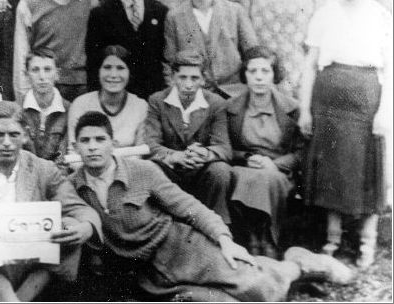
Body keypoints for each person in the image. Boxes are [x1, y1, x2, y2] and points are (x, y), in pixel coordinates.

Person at [70, 111, 353, 302]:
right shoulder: (72, 186)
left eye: (100, 139)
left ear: (113, 143)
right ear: (76, 147)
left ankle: (301, 264)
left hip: (184, 248)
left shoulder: (141, 171)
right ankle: (274, 268)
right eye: (85, 141)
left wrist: (225, 240)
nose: (93, 147)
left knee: (261, 292)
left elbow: (190, 207)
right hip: (149, 274)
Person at [0, 101, 101, 302]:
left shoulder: (44, 169)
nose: (6, 142)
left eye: (14, 135)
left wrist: (85, 228)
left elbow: (79, 209)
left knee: (72, 225)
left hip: (34, 267)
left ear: (25, 135)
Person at [300, 0, 392, 269]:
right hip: (327, 98)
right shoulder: (325, 14)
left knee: (366, 169)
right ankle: (333, 238)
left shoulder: (379, 15)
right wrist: (304, 110)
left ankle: (366, 243)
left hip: (366, 98)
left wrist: (384, 112)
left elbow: (391, 69)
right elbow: (310, 66)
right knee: (332, 168)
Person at [226, 46, 304, 258]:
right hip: (244, 167)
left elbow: (302, 152)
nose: (259, 78)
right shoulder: (230, 108)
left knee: (268, 179)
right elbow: (224, 147)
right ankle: (252, 237)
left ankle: (267, 237)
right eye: (253, 72)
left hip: (278, 170)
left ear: (274, 74)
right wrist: (246, 158)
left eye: (265, 71)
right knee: (241, 177)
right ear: (245, 75)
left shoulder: (292, 108)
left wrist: (276, 164)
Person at [145, 50, 233, 223]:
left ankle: (216, 225)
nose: (188, 84)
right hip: (170, 171)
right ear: (172, 77)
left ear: (203, 79)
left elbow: (224, 148)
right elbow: (150, 144)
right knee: (150, 167)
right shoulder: (157, 101)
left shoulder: (215, 103)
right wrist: (175, 156)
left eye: (194, 78)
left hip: (200, 172)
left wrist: (204, 154)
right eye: (183, 77)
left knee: (220, 171)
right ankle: (161, 224)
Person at [13, 0, 99, 101]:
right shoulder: (28, 4)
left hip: (82, 88)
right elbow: (21, 57)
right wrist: (24, 99)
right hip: (44, 87)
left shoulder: (89, 1)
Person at [164, 0, 257, 98]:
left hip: (234, 94)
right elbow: (169, 63)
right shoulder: (174, 17)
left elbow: (253, 55)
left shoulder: (235, 11)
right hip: (194, 95)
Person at [85, 0, 168, 100]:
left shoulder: (160, 12)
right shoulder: (100, 15)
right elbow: (93, 64)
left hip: (154, 97)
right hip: (116, 97)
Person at [67, 45, 149, 160]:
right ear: (98, 71)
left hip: (127, 174)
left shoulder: (140, 106)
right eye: (107, 67)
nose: (113, 75)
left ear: (129, 73)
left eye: (120, 68)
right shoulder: (81, 104)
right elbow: (73, 155)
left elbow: (140, 153)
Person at [19, 50, 69, 167]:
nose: (42, 77)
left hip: (57, 177)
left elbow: (63, 158)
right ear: (26, 75)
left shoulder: (69, 110)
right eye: (35, 70)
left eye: (47, 70)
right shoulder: (17, 109)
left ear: (57, 74)